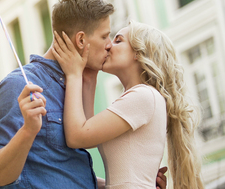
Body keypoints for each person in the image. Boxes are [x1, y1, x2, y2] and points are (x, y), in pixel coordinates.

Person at [0, 0, 167, 189]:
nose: (109, 45)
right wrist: (27, 131)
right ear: (81, 40)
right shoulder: (20, 86)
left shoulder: (76, 85)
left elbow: (65, 174)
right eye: (105, 36)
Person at [51, 21, 204, 188]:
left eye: (118, 40)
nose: (108, 45)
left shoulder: (143, 96)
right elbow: (87, 136)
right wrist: (89, 77)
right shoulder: (141, 97)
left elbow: (76, 136)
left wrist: (73, 75)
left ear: (138, 53)